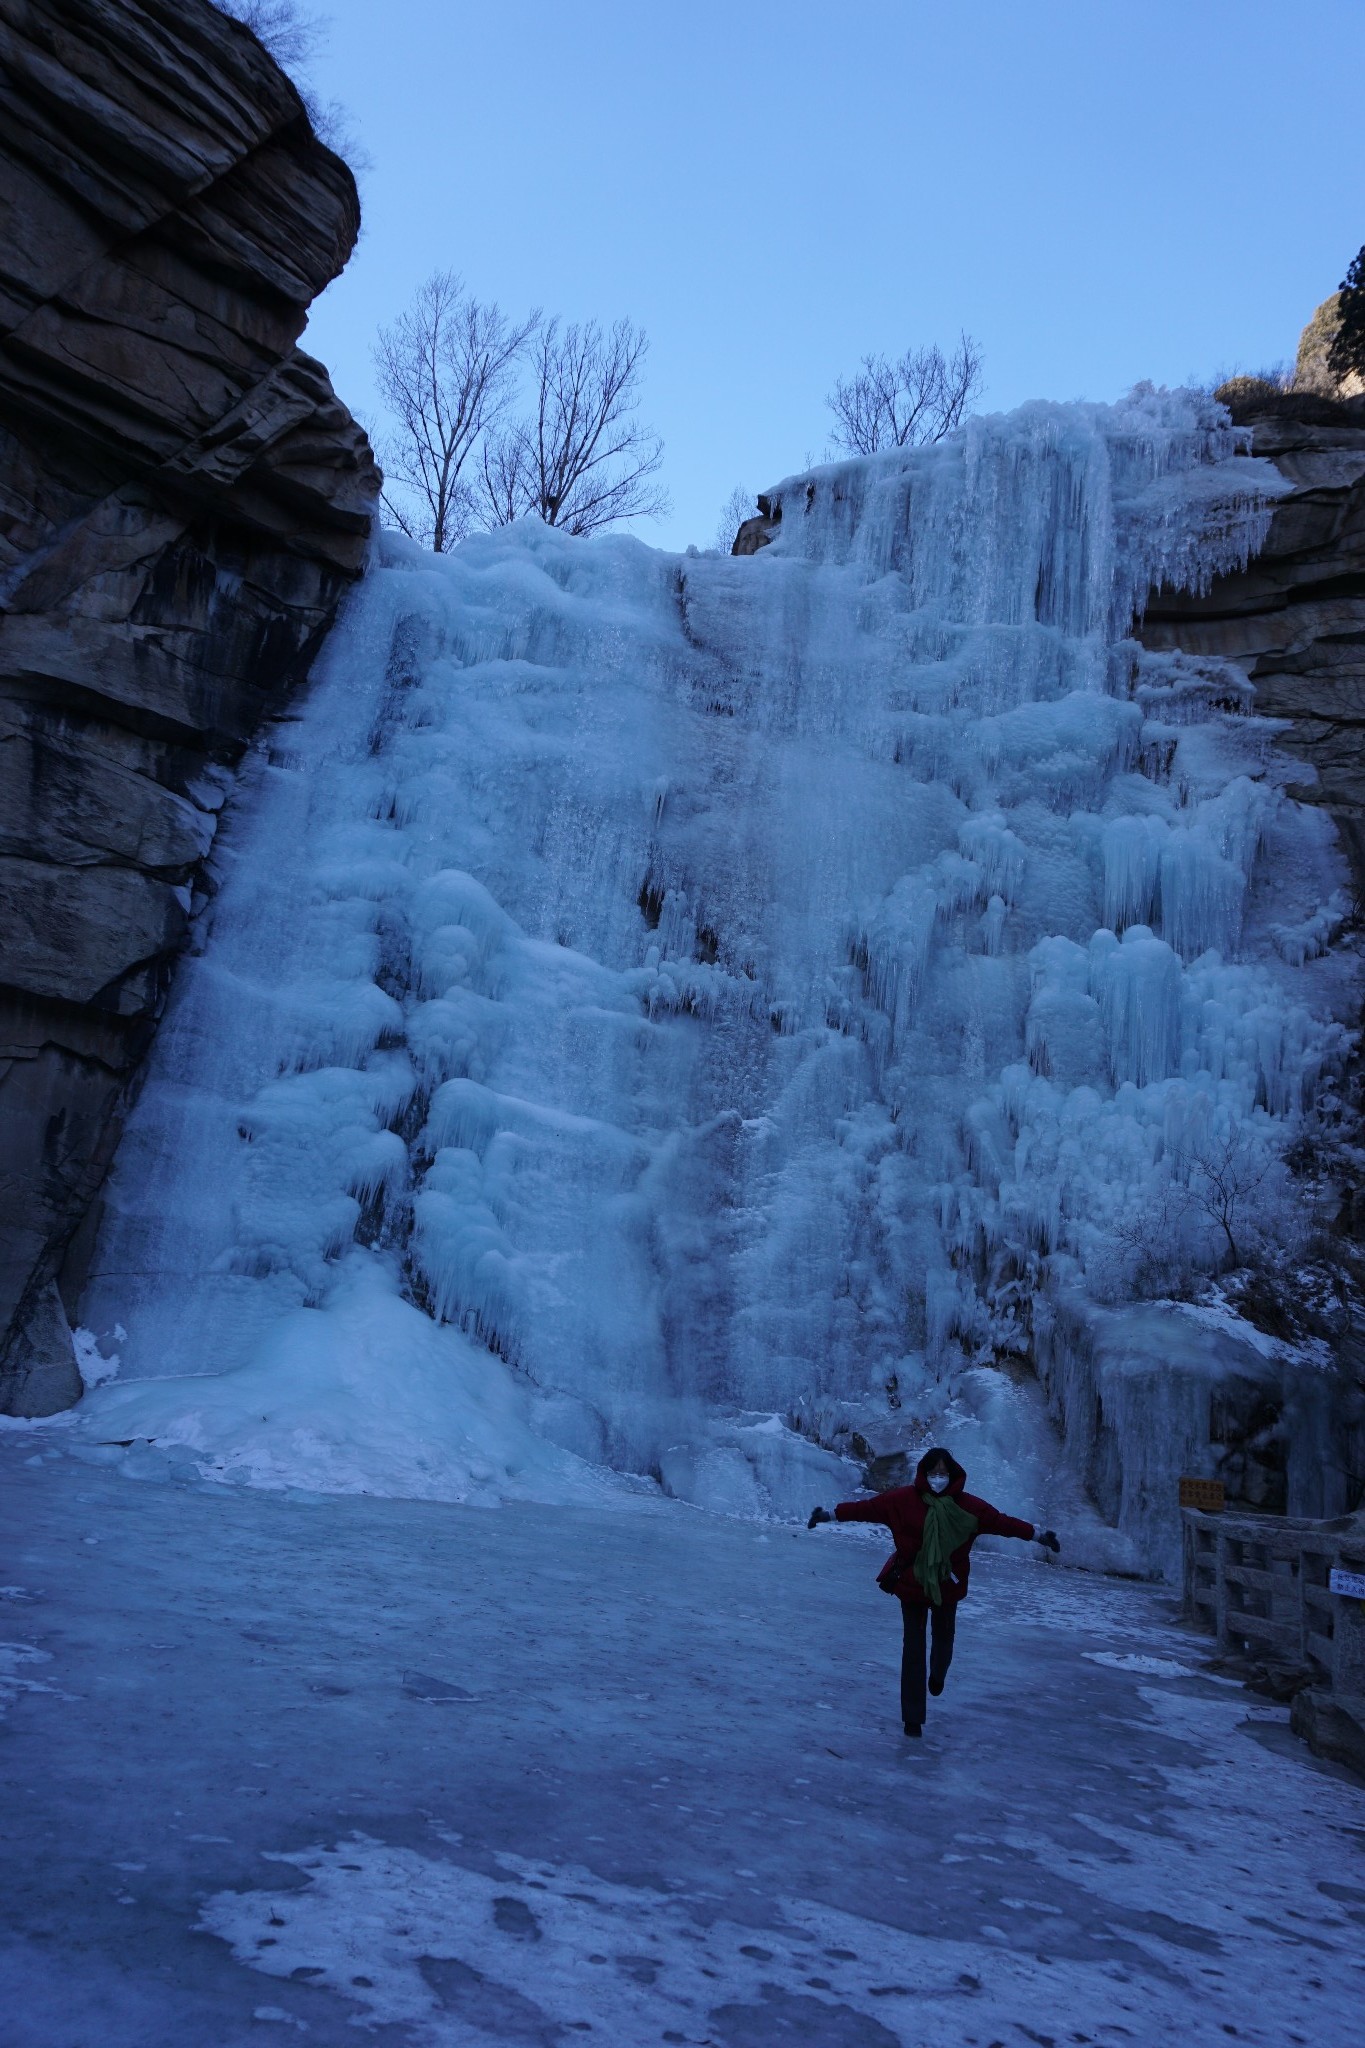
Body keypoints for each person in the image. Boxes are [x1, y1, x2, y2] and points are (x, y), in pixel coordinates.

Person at [809, 1446, 1060, 1740]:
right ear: (923, 1474)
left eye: (943, 1473)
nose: (938, 1478)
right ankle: (912, 1719)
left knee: (943, 1640)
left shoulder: (969, 1508)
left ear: (952, 1474)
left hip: (947, 1585)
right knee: (913, 1648)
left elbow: (1003, 1523)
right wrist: (827, 1515)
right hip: (912, 1583)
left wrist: (1039, 1535)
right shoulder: (902, 1501)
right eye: (932, 1473)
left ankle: (938, 1675)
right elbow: (866, 1509)